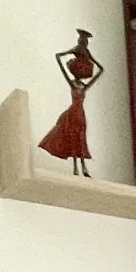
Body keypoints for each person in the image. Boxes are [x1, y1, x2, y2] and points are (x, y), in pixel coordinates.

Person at [38, 30, 102, 177]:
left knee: (81, 139)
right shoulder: (74, 85)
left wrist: (90, 56)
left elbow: (100, 70)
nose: (83, 44)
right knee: (74, 140)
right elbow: (58, 58)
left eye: (85, 42)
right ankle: (76, 169)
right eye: (82, 41)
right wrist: (71, 51)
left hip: (80, 114)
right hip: (74, 113)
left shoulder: (83, 87)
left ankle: (84, 169)